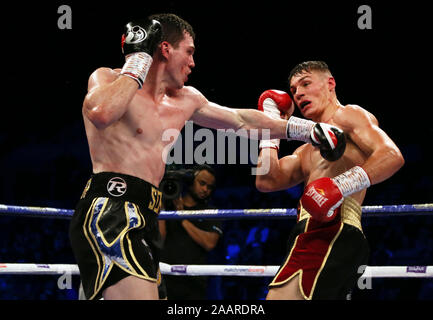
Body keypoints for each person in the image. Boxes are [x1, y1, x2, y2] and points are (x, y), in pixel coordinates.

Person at [69, 13, 345, 300]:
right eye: (188, 52)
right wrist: (139, 59)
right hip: (111, 210)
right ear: (165, 49)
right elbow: (101, 113)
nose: (192, 63)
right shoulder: (109, 78)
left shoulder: (186, 99)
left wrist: (308, 129)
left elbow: (241, 120)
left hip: (147, 216)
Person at [255, 61, 405, 300]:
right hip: (312, 232)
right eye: (293, 90)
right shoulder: (305, 150)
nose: (298, 93)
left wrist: (339, 186)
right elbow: (266, 180)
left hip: (330, 230)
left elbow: (392, 156)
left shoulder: (348, 115)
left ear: (330, 84)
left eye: (305, 84)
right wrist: (270, 126)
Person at [159, 164, 222, 299]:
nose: (205, 189)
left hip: (194, 281)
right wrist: (162, 207)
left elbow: (209, 243)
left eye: (210, 187)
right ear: (191, 182)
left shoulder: (211, 212)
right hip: (167, 276)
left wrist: (182, 217)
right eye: (202, 183)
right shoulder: (168, 206)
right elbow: (160, 239)